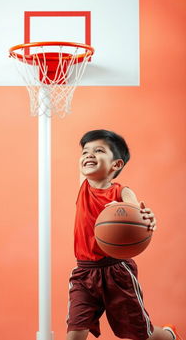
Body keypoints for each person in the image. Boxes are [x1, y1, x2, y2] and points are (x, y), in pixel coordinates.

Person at [66, 130, 182, 340]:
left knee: (140, 334)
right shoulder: (83, 185)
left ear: (116, 165)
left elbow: (136, 213)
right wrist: (90, 151)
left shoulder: (122, 192)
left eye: (98, 150)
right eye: (85, 152)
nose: (89, 155)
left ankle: (168, 335)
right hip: (84, 273)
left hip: (116, 271)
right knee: (74, 333)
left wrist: (146, 217)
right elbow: (84, 160)